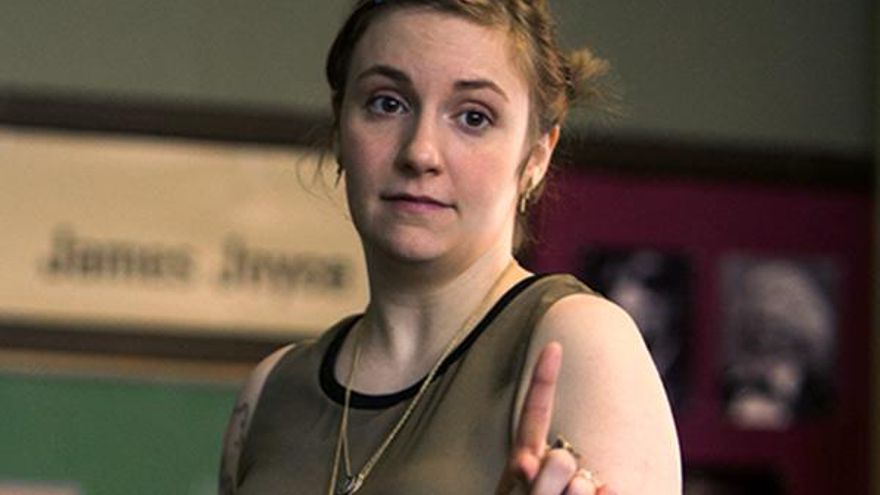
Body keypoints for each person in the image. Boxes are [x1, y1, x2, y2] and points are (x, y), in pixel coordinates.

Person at [220, 1, 681, 494]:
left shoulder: (579, 341)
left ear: (536, 156)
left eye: (474, 117)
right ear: (340, 128)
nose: (420, 152)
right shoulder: (270, 391)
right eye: (386, 103)